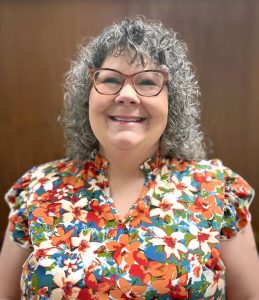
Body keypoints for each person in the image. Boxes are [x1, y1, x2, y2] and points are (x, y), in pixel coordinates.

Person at [0, 16, 258, 300]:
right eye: (110, 79)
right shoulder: (37, 189)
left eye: (147, 82)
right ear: (87, 94)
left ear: (172, 100)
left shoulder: (219, 191)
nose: (126, 95)